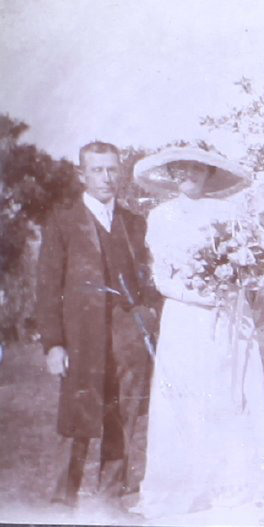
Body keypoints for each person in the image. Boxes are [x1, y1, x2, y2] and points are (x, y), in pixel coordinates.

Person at [131, 146, 264, 519]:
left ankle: (232, 483)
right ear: (172, 174)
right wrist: (197, 295)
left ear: (209, 173)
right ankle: (187, 484)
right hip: (185, 316)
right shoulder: (161, 216)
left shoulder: (226, 212)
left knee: (229, 388)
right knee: (188, 393)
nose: (189, 175)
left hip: (227, 314)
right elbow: (161, 276)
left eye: (197, 168)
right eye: (181, 169)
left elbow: (243, 262)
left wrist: (227, 285)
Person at [36, 141, 159, 506]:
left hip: (128, 338)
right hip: (82, 336)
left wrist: (147, 318)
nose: (106, 178)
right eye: (97, 170)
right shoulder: (62, 222)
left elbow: (149, 281)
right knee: (77, 417)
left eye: (112, 169)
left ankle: (108, 501)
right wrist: (53, 343)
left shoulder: (134, 223)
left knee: (125, 416)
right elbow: (47, 287)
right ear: (82, 174)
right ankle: (62, 501)